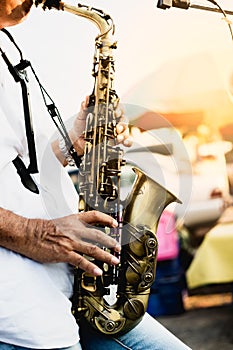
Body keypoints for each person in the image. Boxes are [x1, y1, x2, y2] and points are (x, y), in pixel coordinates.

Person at [0, 1, 192, 349]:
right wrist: (34, 232)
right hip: (17, 315)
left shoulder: (6, 47)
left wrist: (77, 135)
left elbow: (19, 169)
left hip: (61, 291)